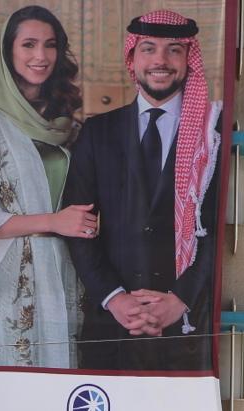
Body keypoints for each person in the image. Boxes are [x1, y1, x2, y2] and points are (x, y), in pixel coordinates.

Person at [64, 9, 224, 372]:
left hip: (188, 329)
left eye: (174, 50)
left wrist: (180, 300)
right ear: (132, 58)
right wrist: (115, 299)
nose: (160, 61)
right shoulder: (98, 132)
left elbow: (218, 229)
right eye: (149, 48)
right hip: (111, 329)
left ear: (188, 59)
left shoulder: (213, 136)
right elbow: (78, 226)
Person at [0, 5, 88, 368]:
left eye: (50, 45)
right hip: (10, 277)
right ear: (8, 51)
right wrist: (53, 222)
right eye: (29, 44)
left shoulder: (69, 126)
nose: (41, 56)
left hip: (67, 271)